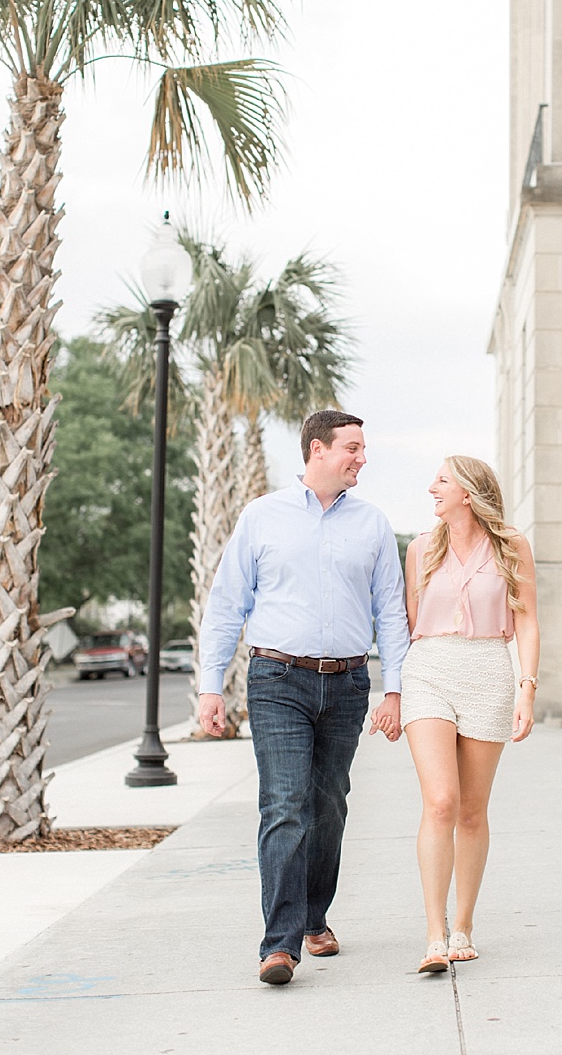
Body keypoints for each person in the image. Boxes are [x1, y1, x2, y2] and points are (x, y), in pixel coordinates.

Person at [197, 409, 410, 986]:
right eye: (352, 447)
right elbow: (226, 603)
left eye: (362, 449)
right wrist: (210, 685)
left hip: (346, 684)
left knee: (329, 805)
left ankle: (316, 916)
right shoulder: (262, 517)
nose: (361, 457)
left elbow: (391, 612)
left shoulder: (372, 524)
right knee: (285, 805)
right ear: (317, 449)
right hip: (277, 680)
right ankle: (280, 944)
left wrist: (395, 689)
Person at [400, 457, 538, 973]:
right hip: (430, 668)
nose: (431, 486)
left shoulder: (511, 546)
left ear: (469, 492)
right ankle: (434, 935)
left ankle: (464, 926)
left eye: (442, 479)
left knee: (471, 811)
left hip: (487, 669)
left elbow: (527, 622)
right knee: (440, 801)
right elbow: (411, 624)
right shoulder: (420, 548)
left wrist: (527, 688)